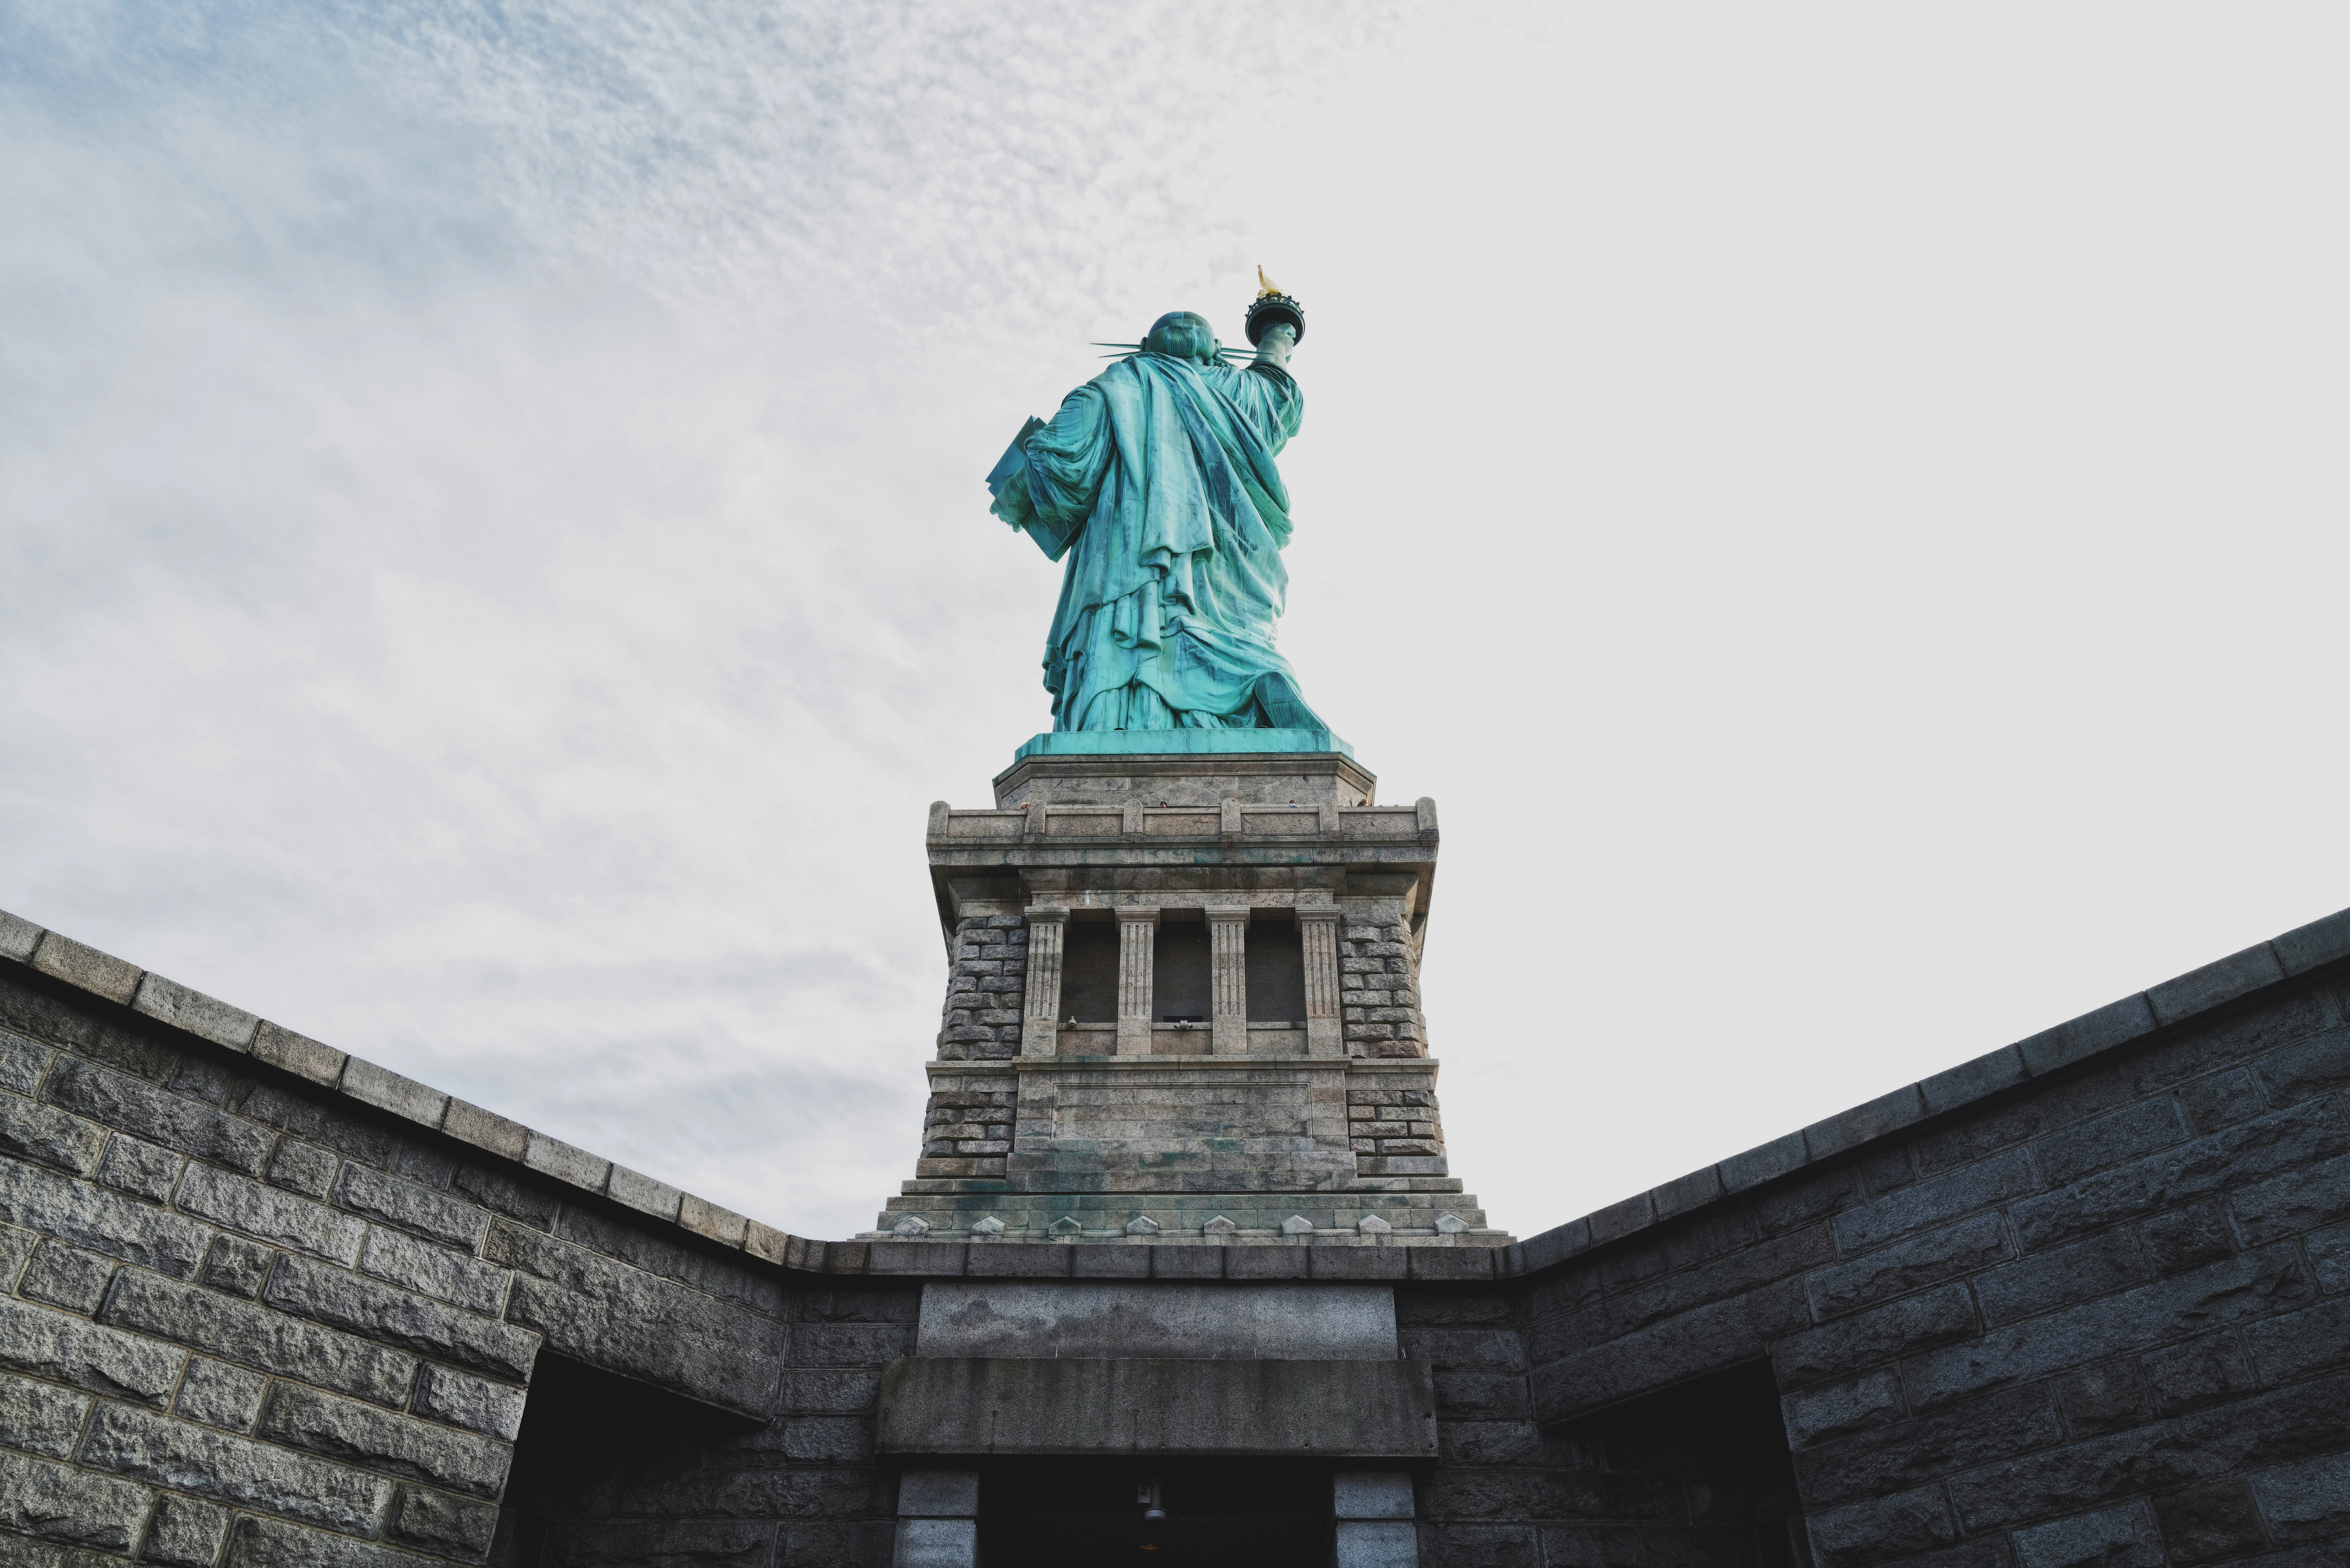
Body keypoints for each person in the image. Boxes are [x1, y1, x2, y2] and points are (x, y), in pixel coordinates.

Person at [987, 309, 1327, 732]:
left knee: (1125, 634)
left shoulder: (1115, 385)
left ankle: (1118, 718)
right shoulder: (1237, 389)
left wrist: (1016, 485)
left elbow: (1059, 460)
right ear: (1215, 350)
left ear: (1149, 346)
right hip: (1223, 561)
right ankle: (1244, 690)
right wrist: (1278, 331)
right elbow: (1278, 392)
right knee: (1231, 639)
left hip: (1125, 556)